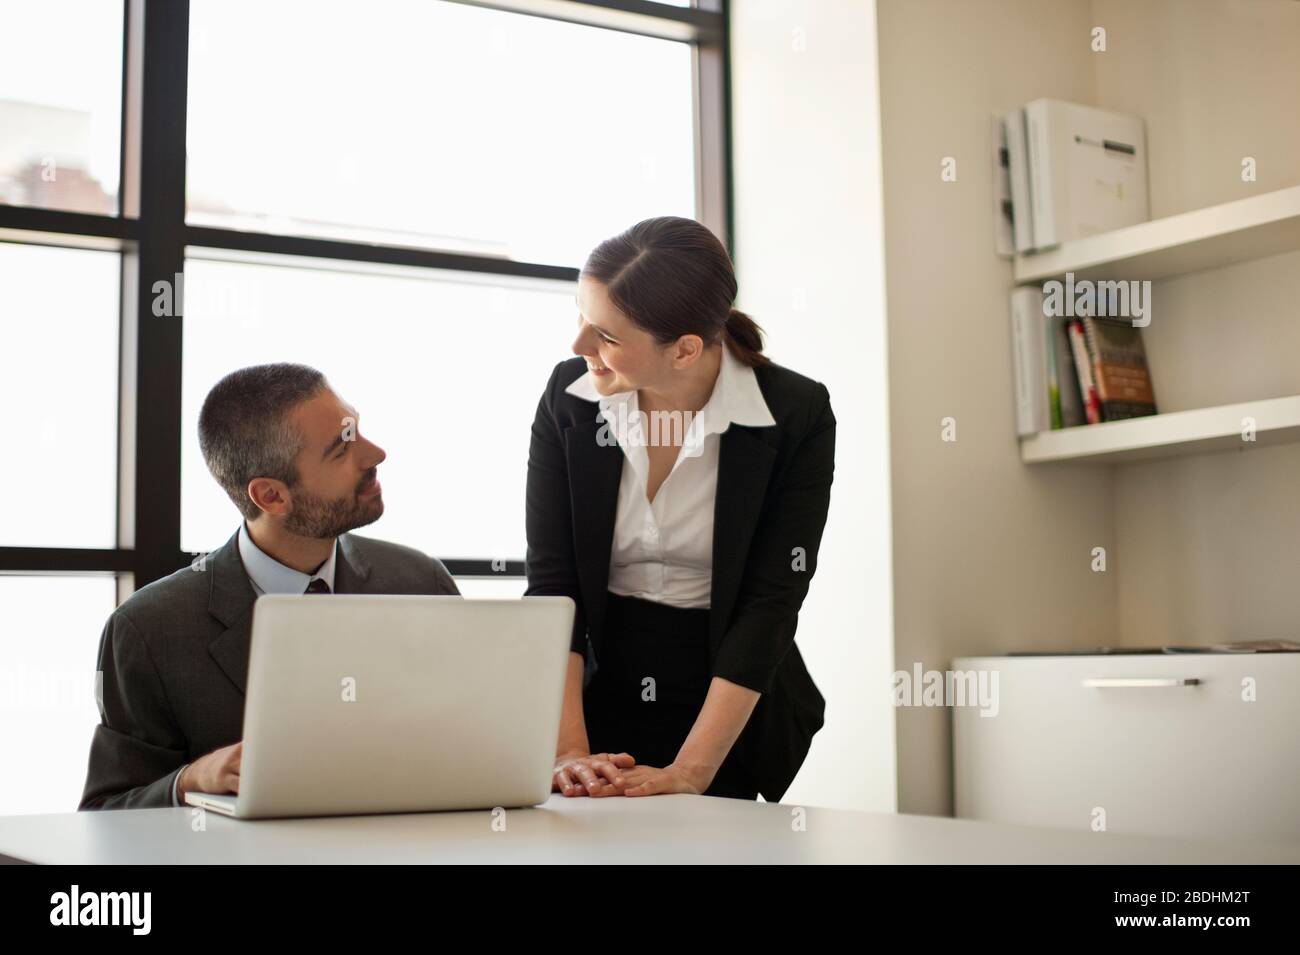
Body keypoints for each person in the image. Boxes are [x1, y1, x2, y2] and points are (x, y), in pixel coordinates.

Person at [525, 216, 835, 801]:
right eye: (581, 318)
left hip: (728, 704)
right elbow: (554, 584)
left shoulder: (796, 413)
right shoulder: (569, 399)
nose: (577, 347)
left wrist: (690, 773)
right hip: (593, 690)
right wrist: (570, 751)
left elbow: (770, 604)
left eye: (606, 336)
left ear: (686, 349)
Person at [80, 363, 459, 810]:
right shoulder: (149, 629)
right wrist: (187, 780)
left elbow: (472, 741)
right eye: (342, 448)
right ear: (271, 497)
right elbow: (106, 812)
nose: (376, 454)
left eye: (358, 429)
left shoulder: (421, 582)